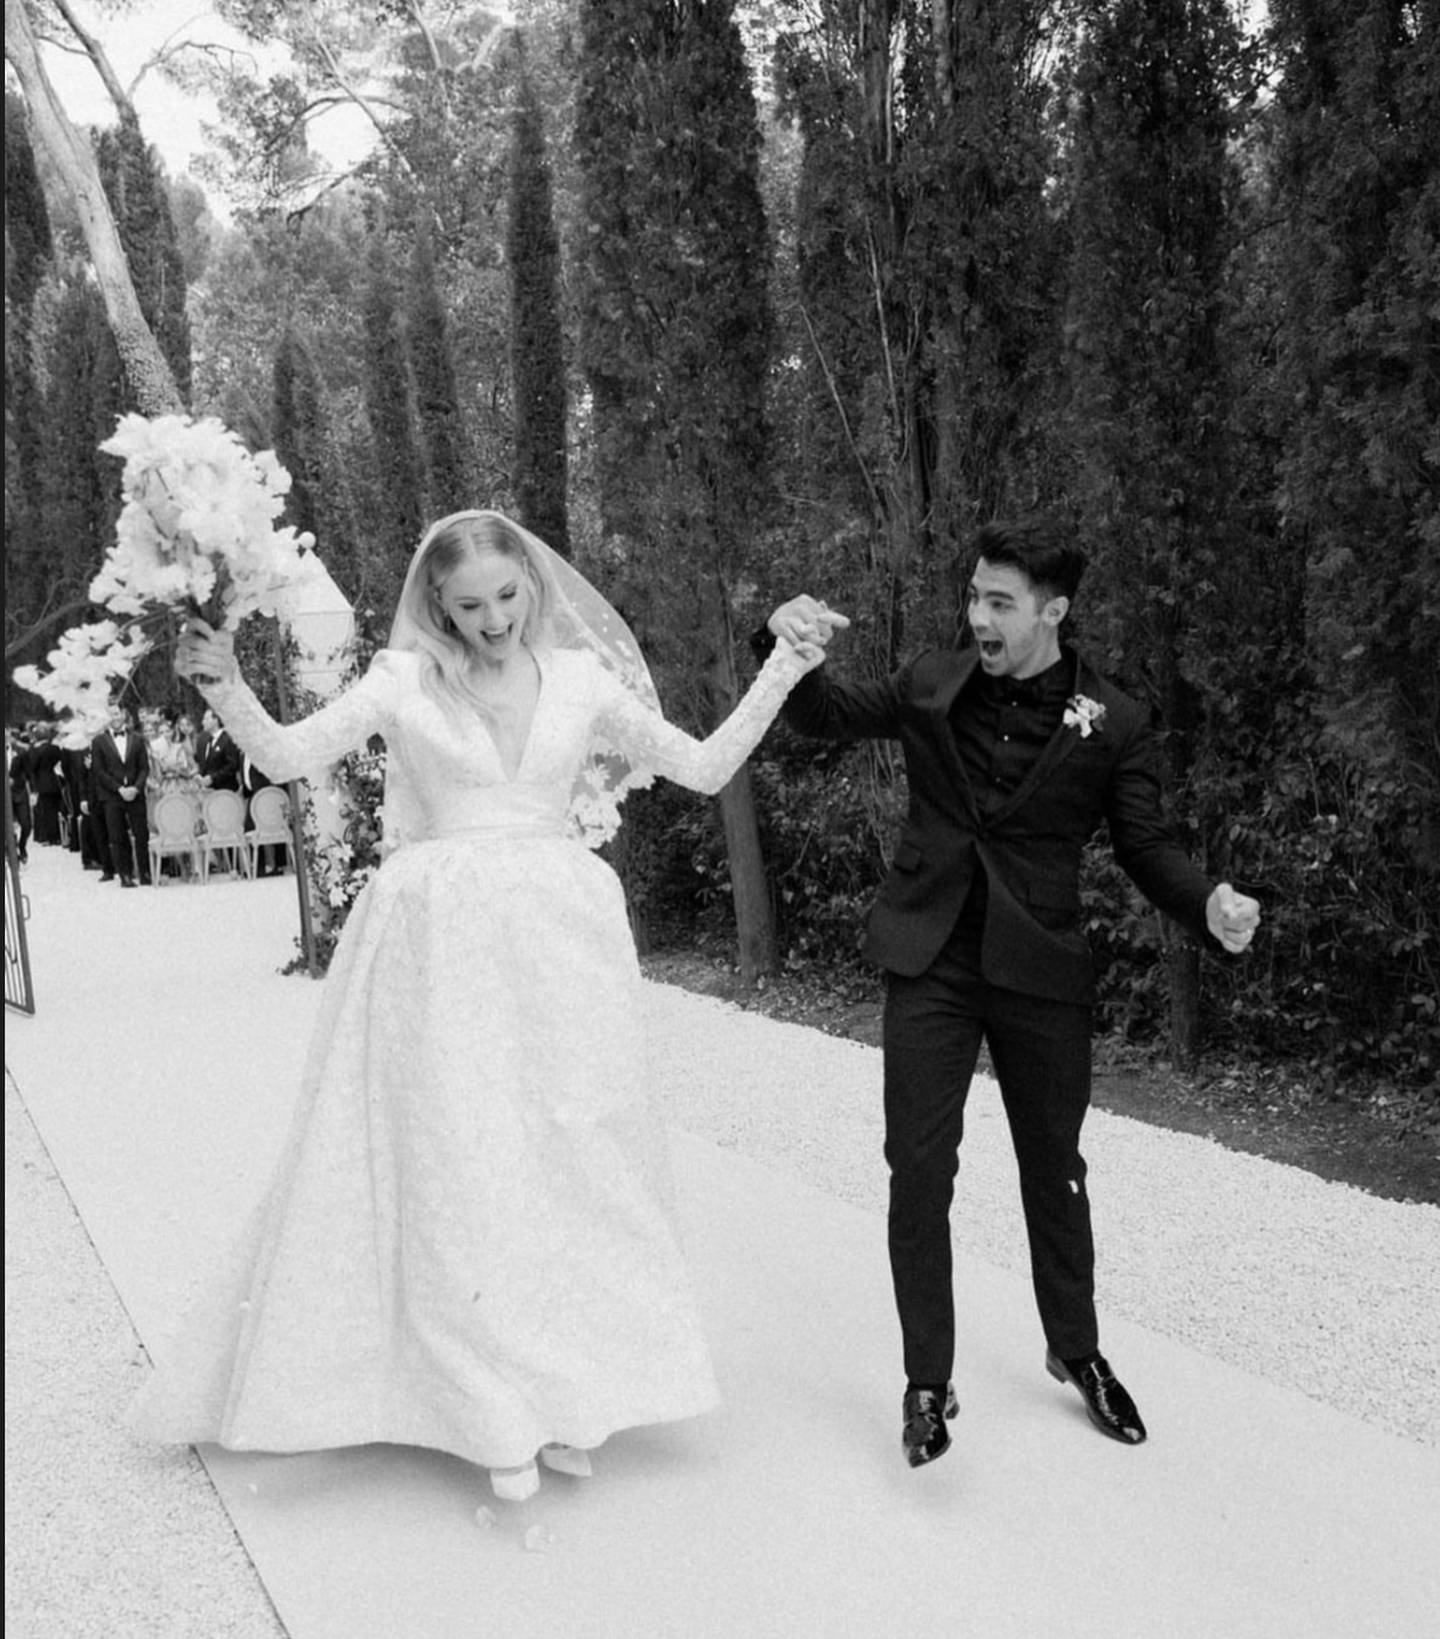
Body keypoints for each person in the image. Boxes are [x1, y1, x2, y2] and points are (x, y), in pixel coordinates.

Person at [134, 509, 840, 1503]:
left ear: (532, 587)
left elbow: (704, 764)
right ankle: (489, 1405)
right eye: (470, 606)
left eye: (507, 596)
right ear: (438, 603)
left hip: (560, 942)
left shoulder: (581, 680)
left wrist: (786, 666)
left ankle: (568, 1390)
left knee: (573, 1156)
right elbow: (290, 756)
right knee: (461, 1160)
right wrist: (224, 682)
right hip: (440, 946)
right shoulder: (402, 680)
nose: (494, 619)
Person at [763, 515, 1259, 1466]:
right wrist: (784, 646)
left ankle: (1076, 1349)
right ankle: (926, 1379)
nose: (979, 618)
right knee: (918, 1169)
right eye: (974, 597)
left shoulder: (1115, 720)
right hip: (932, 956)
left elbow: (1145, 846)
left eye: (1000, 603)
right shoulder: (930, 680)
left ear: (1054, 611)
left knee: (1055, 1168)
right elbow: (823, 715)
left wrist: (1208, 903)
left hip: (1040, 967)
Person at [91, 703, 152, 887]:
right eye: (111, 714)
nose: (115, 717)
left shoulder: (137, 739)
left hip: (136, 793)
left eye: (117, 713)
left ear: (123, 715)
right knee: (117, 836)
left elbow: (144, 768)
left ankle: (145, 873)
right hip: (112, 795)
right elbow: (99, 771)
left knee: (141, 834)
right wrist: (119, 789)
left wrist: (136, 788)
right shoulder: (98, 741)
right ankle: (125, 874)